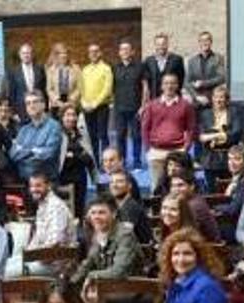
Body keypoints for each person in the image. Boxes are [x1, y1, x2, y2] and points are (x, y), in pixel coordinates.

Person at [71, 197, 148, 303]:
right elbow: (87, 264)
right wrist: (69, 285)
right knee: (68, 299)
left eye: (102, 212)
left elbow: (119, 271)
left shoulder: (125, 235)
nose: (96, 217)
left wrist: (91, 276)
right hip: (107, 290)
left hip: (130, 293)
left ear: (113, 214)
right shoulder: (97, 233)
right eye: (93, 213)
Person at [142, 73, 197, 191]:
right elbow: (145, 128)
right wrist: (148, 149)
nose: (169, 86)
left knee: (178, 187)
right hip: (156, 152)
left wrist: (185, 148)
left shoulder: (186, 105)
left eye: (173, 83)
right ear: (161, 86)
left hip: (177, 151)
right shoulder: (152, 105)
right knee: (156, 188)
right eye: (166, 83)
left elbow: (191, 128)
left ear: (177, 85)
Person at [25, 172, 76, 276]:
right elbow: (38, 237)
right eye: (32, 186)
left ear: (48, 186)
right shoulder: (42, 205)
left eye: (38, 185)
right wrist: (27, 255)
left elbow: (55, 242)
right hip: (41, 258)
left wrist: (32, 257)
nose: (34, 189)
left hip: (56, 263)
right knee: (8, 263)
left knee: (7, 272)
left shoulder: (56, 207)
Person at [9, 90, 63, 181]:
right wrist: (34, 151)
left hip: (46, 181)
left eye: (35, 102)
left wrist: (24, 152)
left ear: (43, 105)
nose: (31, 106)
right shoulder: (23, 130)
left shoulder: (53, 127)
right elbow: (13, 154)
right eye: (28, 103)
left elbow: (48, 154)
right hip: (25, 181)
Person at [197, 85, 242, 191]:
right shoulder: (205, 114)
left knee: (229, 189)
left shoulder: (233, 112)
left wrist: (213, 135)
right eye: (216, 97)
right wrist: (222, 134)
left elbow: (236, 134)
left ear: (227, 100)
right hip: (210, 158)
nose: (218, 100)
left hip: (228, 158)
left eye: (222, 97)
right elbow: (202, 137)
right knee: (211, 190)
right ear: (212, 98)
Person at [58, 103, 97, 218]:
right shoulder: (57, 134)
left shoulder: (82, 134)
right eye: (68, 115)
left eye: (74, 115)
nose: (71, 118)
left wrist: (73, 154)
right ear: (62, 117)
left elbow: (89, 157)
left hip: (80, 176)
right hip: (63, 176)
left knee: (79, 209)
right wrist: (75, 154)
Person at [112, 39, 146, 168]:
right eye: (122, 49)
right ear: (119, 53)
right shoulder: (115, 67)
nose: (124, 52)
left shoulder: (140, 66)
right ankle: (122, 161)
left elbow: (145, 87)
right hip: (119, 108)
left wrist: (143, 105)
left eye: (127, 49)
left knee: (136, 135)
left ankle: (137, 162)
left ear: (132, 51)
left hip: (136, 108)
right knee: (120, 136)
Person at [169, 169, 221, 243]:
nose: (175, 190)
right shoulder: (186, 202)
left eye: (180, 185)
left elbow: (185, 234)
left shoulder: (195, 206)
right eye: (173, 186)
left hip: (207, 248)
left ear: (192, 186)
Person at [80, 43, 113, 159]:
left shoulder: (106, 68)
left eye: (95, 51)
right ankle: (95, 161)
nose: (93, 54)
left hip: (101, 107)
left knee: (103, 135)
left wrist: (95, 103)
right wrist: (84, 102)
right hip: (87, 107)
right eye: (90, 52)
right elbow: (81, 87)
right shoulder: (85, 69)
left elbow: (107, 89)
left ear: (100, 53)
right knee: (92, 136)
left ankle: (106, 161)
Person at [109, 169, 152, 244]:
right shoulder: (115, 206)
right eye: (112, 182)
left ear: (129, 186)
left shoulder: (131, 208)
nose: (114, 185)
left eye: (119, 181)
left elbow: (125, 239)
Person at [184, 31, 226, 108]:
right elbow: (186, 83)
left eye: (207, 40)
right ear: (199, 43)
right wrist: (197, 96)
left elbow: (222, 78)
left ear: (211, 42)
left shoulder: (218, 58)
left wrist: (203, 83)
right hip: (197, 102)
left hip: (214, 101)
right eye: (202, 40)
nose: (205, 43)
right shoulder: (192, 61)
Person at [6, 43, 47, 121]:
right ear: (20, 55)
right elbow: (12, 93)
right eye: (24, 53)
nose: (26, 55)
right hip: (21, 111)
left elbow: (43, 90)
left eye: (28, 53)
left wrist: (45, 108)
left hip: (38, 109)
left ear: (32, 54)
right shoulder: (13, 71)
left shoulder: (40, 69)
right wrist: (14, 112)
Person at [143, 32, 186, 100]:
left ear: (167, 44)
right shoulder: (148, 61)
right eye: (158, 44)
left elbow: (181, 79)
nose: (161, 47)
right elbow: (147, 83)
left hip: (172, 99)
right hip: (154, 100)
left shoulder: (177, 59)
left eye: (163, 44)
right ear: (155, 45)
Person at [46, 42, 82, 116]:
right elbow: (49, 89)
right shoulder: (51, 70)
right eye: (61, 54)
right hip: (56, 103)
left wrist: (71, 100)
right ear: (57, 56)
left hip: (72, 102)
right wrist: (57, 101)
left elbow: (79, 87)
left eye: (65, 53)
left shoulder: (76, 68)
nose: (63, 55)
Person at [218, 144, 244, 224]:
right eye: (229, 159)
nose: (232, 163)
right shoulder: (236, 178)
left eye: (237, 159)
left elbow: (234, 209)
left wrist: (215, 207)